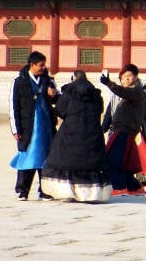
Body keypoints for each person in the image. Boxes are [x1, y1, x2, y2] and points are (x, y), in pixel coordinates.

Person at [40, 70, 111, 202]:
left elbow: (60, 111)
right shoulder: (96, 95)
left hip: (70, 132)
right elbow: (99, 110)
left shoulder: (68, 94)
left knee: (66, 162)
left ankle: (68, 192)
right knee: (90, 163)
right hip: (92, 133)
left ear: (73, 79)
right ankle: (90, 194)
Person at [9, 51, 58, 201]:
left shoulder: (48, 80)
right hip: (27, 126)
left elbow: (57, 100)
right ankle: (23, 190)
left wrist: (54, 93)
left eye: (44, 65)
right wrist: (15, 129)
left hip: (46, 127)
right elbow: (13, 106)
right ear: (32, 65)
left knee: (46, 159)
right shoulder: (19, 81)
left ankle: (44, 190)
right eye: (41, 65)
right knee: (27, 157)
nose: (43, 68)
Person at [98, 64, 146, 196]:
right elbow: (109, 113)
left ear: (136, 77)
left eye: (129, 76)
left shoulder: (135, 90)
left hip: (125, 130)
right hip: (122, 130)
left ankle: (119, 187)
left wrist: (109, 83)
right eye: (124, 77)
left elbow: (123, 91)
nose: (126, 79)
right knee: (124, 161)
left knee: (113, 159)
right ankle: (134, 187)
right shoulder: (126, 93)